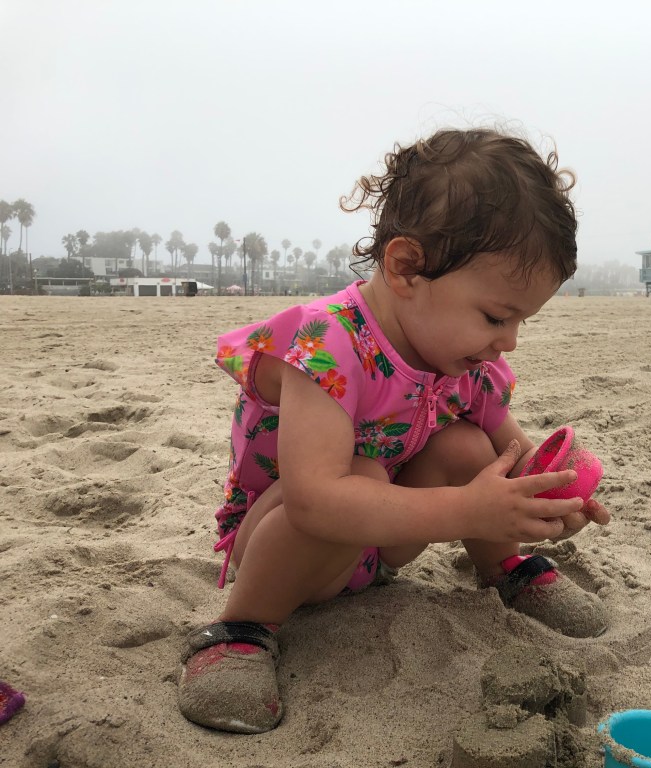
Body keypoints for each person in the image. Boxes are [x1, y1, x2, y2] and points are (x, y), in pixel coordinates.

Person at [177, 127, 612, 734]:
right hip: (284, 550)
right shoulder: (327, 344)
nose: (509, 341)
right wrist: (468, 510)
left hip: (382, 546)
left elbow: (514, 457)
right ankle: (241, 630)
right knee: (357, 473)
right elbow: (314, 500)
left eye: (520, 322)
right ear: (406, 267)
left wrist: (550, 488)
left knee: (467, 446)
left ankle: (505, 572)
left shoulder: (464, 362)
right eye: (495, 316)